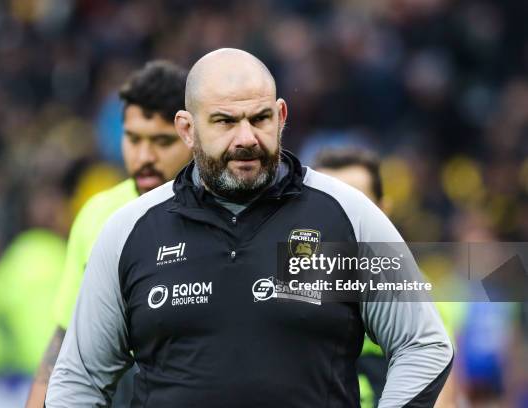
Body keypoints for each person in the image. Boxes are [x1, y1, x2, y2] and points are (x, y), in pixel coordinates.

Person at [46, 48, 453, 407]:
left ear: (281, 116)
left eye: (259, 118)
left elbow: (423, 344)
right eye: (224, 121)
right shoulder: (128, 231)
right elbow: (78, 379)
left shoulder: (346, 216)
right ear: (187, 129)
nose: (246, 138)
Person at [25, 60, 192, 407]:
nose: (145, 156)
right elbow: (65, 336)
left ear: (190, 136)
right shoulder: (98, 215)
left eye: (162, 141)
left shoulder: (219, 212)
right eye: (133, 139)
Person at [314, 147, 460, 407]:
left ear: (382, 211)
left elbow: (440, 392)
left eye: (357, 203)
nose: (341, 219)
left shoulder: (414, 289)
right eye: (328, 205)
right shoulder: (286, 284)